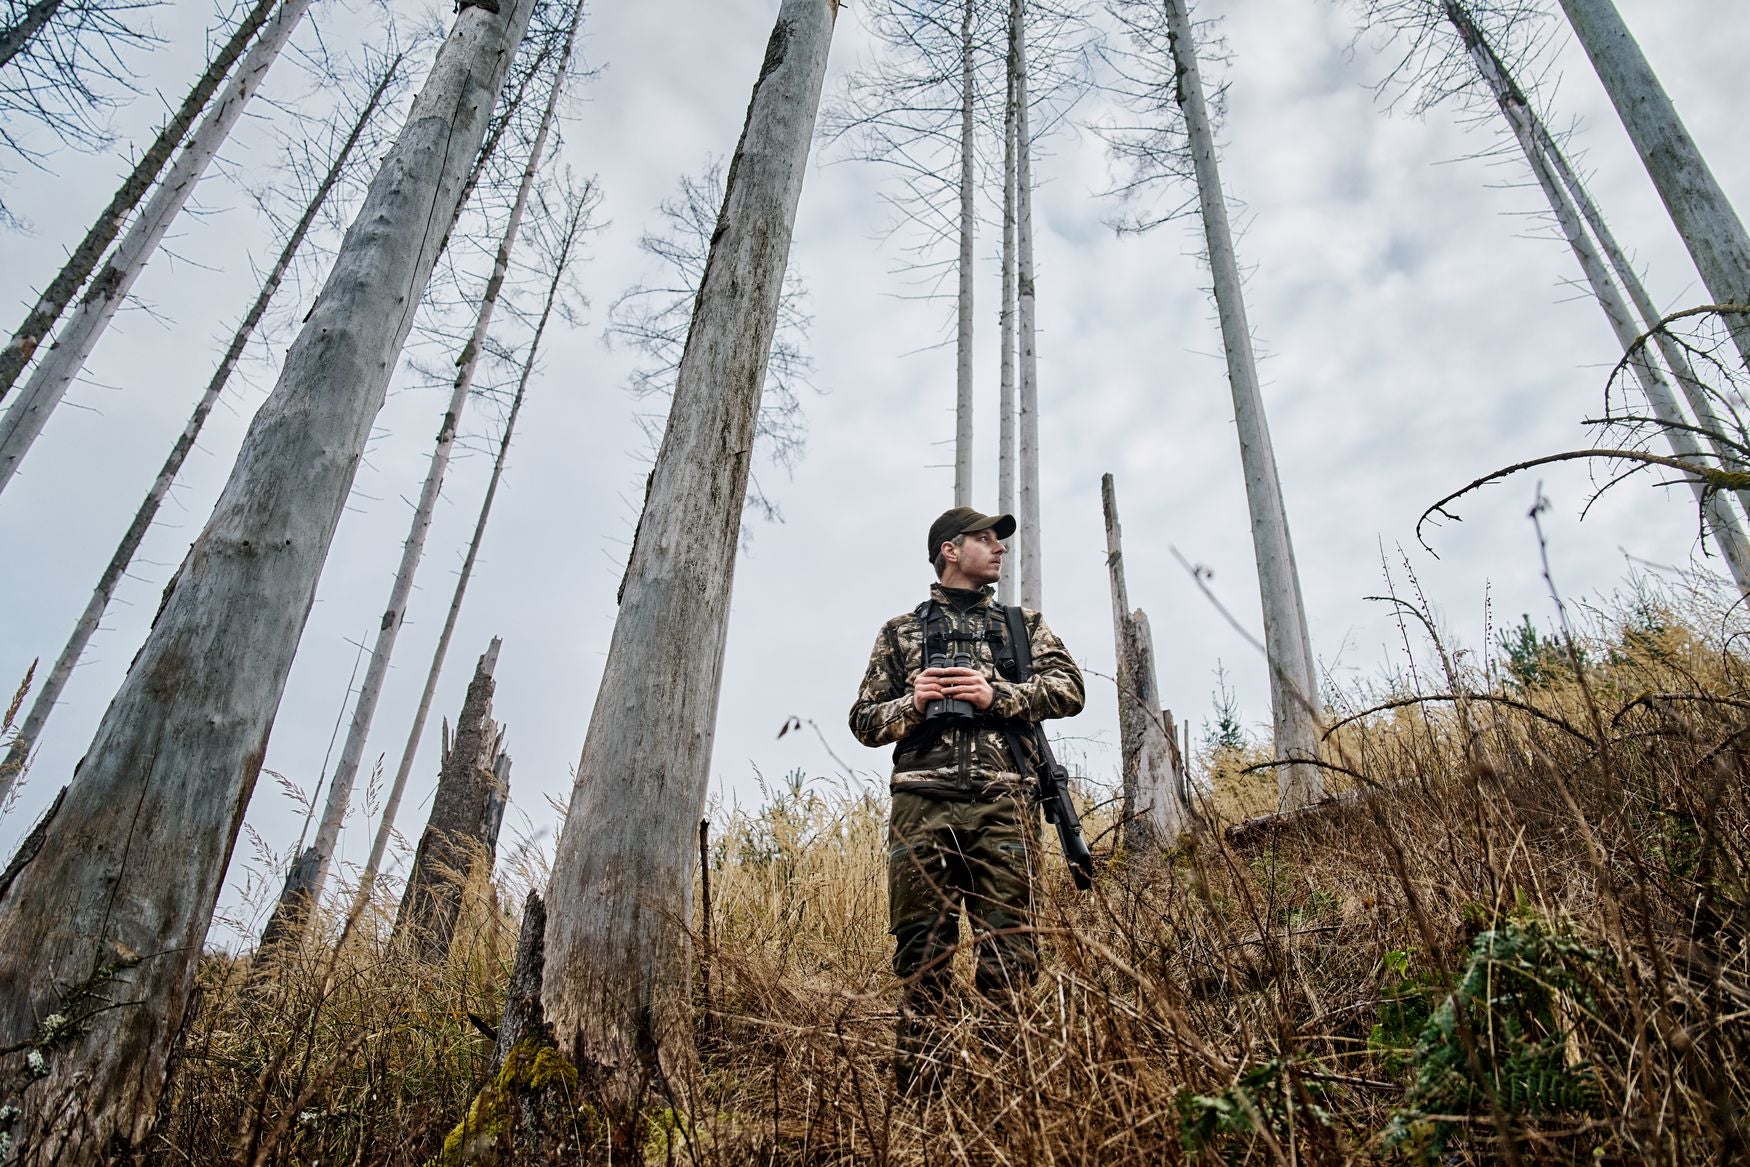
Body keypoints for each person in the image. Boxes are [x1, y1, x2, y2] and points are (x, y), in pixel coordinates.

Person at [848, 506, 1085, 1093]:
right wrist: (913, 702)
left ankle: (1008, 1102)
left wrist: (993, 694)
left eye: (998, 540)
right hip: (921, 805)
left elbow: (1071, 690)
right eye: (985, 539)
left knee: (1010, 954)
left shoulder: (1021, 625)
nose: (998, 548)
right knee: (922, 957)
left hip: (1005, 802)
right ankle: (923, 1109)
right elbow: (862, 721)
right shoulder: (899, 632)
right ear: (950, 550)